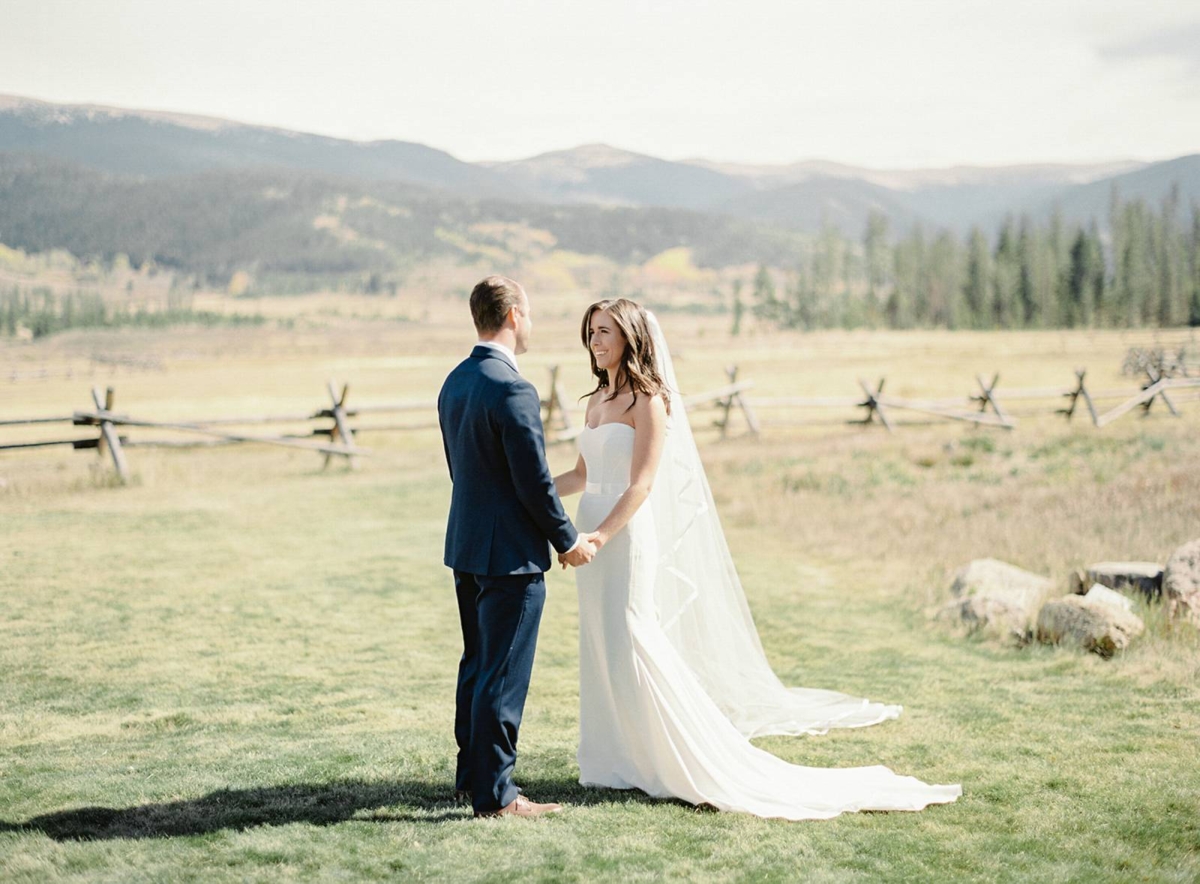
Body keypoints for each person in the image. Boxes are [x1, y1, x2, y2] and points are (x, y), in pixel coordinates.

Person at [553, 298, 961, 820]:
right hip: (587, 532)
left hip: (622, 538)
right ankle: (615, 759)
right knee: (601, 643)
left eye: (605, 331)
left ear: (631, 337)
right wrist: (533, 493)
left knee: (633, 636)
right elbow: (582, 476)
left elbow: (642, 484)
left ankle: (676, 757)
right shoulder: (595, 401)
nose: (596, 341)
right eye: (591, 332)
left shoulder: (647, 401)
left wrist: (599, 538)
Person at [438, 276, 599, 819]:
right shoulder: (513, 389)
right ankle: (498, 796)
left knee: (478, 666)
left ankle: (472, 779)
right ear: (512, 316)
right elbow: (532, 482)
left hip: (467, 547)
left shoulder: (455, 382)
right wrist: (568, 539)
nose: (531, 324)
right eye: (529, 314)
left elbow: (465, 472)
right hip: (510, 556)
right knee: (502, 676)